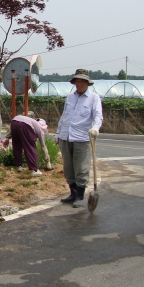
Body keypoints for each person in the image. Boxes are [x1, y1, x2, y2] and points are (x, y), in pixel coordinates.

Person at [55, 69, 103, 207]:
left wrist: (95, 128)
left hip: (82, 138)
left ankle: (80, 196)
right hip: (66, 136)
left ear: (87, 83)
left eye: (82, 81)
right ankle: (73, 193)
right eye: (77, 81)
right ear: (74, 82)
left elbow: (98, 116)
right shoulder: (70, 97)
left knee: (81, 168)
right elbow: (64, 116)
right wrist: (58, 133)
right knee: (68, 168)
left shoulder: (94, 98)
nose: (80, 84)